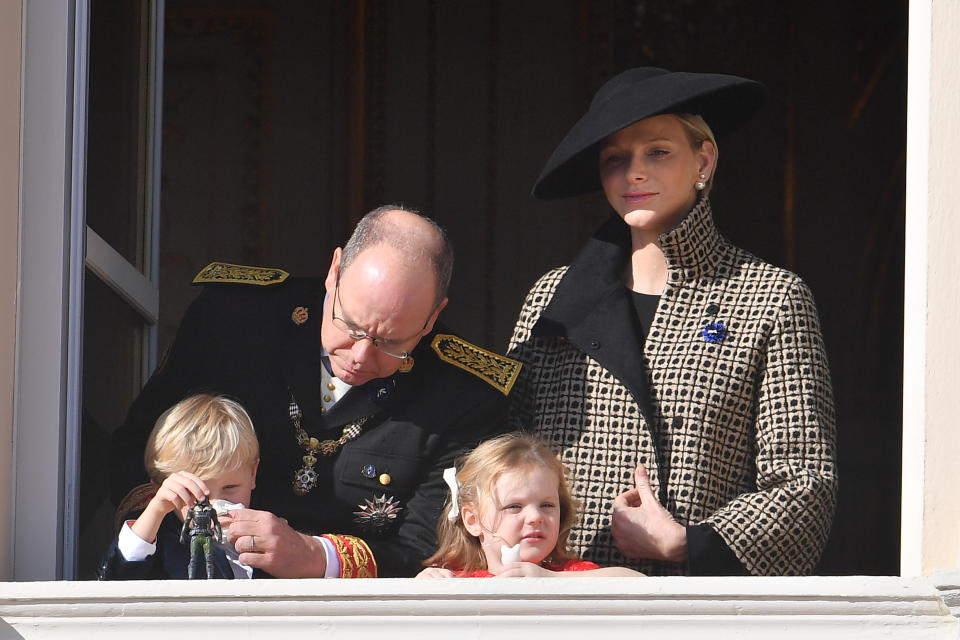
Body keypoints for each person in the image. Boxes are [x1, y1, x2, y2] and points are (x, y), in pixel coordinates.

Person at [506, 67, 838, 576]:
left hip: (692, 607)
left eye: (657, 152)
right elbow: (503, 454)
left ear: (703, 159)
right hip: (557, 601)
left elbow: (804, 482)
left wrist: (689, 541)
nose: (633, 173)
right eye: (615, 159)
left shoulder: (770, 298)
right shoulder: (550, 299)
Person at [110, 206, 521, 578]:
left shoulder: (464, 393)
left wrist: (316, 556)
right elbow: (134, 454)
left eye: (391, 343)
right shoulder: (232, 319)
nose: (360, 355)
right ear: (334, 271)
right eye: (351, 326)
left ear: (432, 318)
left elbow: (432, 549)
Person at [417, 432, 642, 578]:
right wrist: (422, 583)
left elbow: (637, 583)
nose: (535, 517)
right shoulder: (457, 581)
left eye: (547, 505)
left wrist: (551, 580)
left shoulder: (564, 574)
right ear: (472, 520)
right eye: (514, 506)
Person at [98, 394, 259, 580]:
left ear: (252, 474)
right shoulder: (162, 541)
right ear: (162, 490)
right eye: (194, 492)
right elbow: (118, 576)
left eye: (230, 487)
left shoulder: (266, 530)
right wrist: (157, 509)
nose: (215, 504)